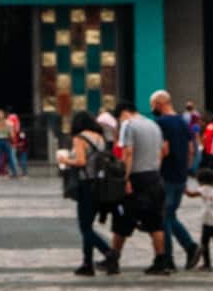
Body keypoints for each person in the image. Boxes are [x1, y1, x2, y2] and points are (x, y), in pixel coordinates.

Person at [107, 98, 171, 275]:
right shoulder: (154, 125)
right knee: (155, 222)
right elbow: (163, 151)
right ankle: (160, 260)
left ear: (124, 113)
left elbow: (128, 153)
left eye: (119, 118)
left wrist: (125, 178)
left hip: (136, 178)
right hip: (155, 177)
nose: (120, 122)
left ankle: (113, 258)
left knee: (122, 219)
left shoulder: (128, 125)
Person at [59, 109, 116, 275]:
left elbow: (81, 161)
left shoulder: (80, 138)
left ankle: (109, 252)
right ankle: (87, 263)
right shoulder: (100, 138)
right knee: (88, 225)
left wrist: (65, 160)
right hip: (99, 185)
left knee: (85, 227)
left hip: (86, 185)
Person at [149, 89, 201, 270]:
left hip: (166, 175)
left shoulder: (161, 123)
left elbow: (164, 150)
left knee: (163, 217)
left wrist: (155, 170)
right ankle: (190, 248)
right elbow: (191, 149)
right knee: (170, 215)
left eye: (152, 105)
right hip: (180, 175)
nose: (152, 109)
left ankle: (170, 257)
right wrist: (186, 170)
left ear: (159, 104)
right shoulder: (182, 121)